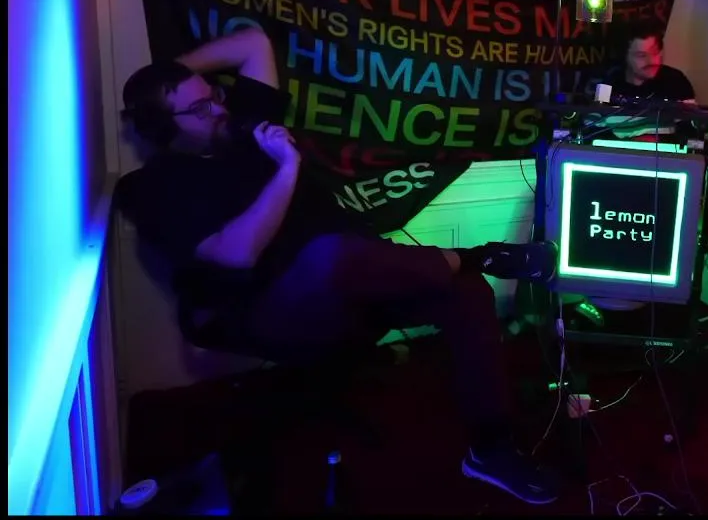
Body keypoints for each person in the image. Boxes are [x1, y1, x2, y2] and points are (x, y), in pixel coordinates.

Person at [117, 27, 562, 506]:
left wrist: (174, 77)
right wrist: (286, 168)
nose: (219, 109)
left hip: (359, 273)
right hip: (273, 308)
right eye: (200, 109)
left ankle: (490, 448)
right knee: (330, 254)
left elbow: (254, 43)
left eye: (214, 96)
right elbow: (238, 252)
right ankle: (480, 255)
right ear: (161, 128)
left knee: (467, 291)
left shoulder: (240, 129)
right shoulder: (154, 187)